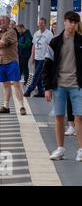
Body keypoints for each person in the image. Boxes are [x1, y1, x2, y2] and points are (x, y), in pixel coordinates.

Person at [42, 11, 82, 161]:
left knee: (79, 117)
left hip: (77, 85)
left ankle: (81, 150)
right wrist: (47, 87)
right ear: (64, 22)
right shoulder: (55, 42)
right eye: (70, 22)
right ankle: (60, 149)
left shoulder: (81, 41)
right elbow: (47, 65)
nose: (73, 25)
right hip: (59, 85)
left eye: (75, 22)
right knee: (59, 117)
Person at [0, 15, 27, 115]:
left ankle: (22, 106)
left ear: (8, 22)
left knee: (16, 83)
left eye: (2, 21)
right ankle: (6, 106)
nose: (0, 22)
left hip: (11, 61)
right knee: (5, 84)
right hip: (0, 62)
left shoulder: (12, 32)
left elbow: (4, 42)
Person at [24, 18, 53, 98]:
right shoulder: (36, 33)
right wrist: (32, 56)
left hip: (44, 58)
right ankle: (41, 92)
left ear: (45, 24)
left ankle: (29, 90)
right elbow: (34, 45)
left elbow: (51, 46)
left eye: (42, 23)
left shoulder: (49, 34)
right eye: (39, 23)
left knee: (36, 74)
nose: (40, 24)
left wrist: (50, 58)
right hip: (37, 57)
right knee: (39, 75)